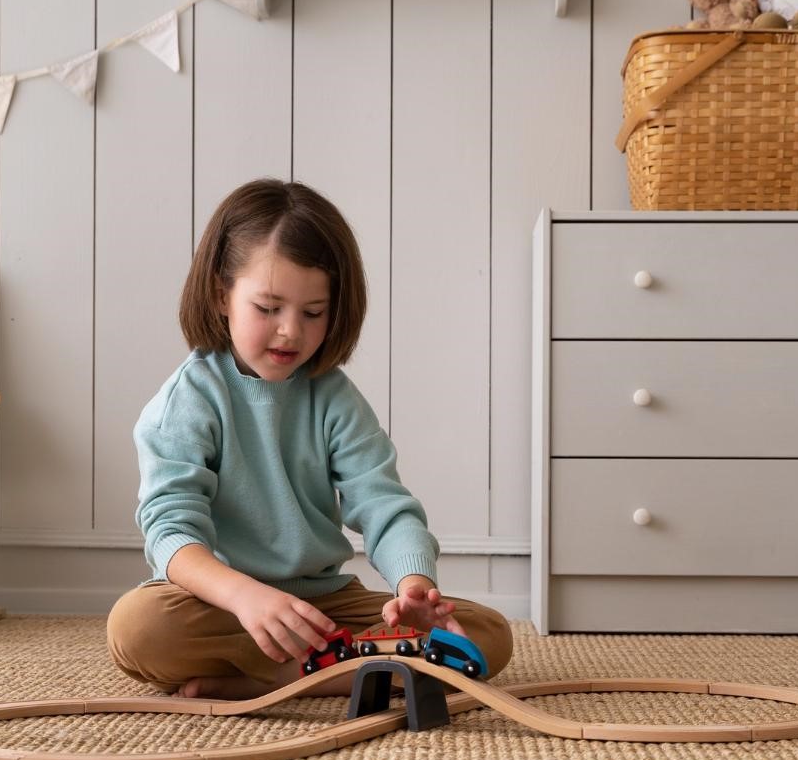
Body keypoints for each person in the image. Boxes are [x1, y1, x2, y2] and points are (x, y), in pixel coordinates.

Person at [107, 178, 513, 699]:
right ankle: (342, 673)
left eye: (312, 313)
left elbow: (384, 506)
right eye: (268, 308)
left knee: (487, 636)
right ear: (220, 295)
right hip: (224, 604)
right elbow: (170, 532)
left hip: (325, 606)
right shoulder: (185, 401)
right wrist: (247, 598)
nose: (290, 332)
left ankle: (279, 681)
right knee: (138, 629)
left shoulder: (334, 397)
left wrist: (414, 588)